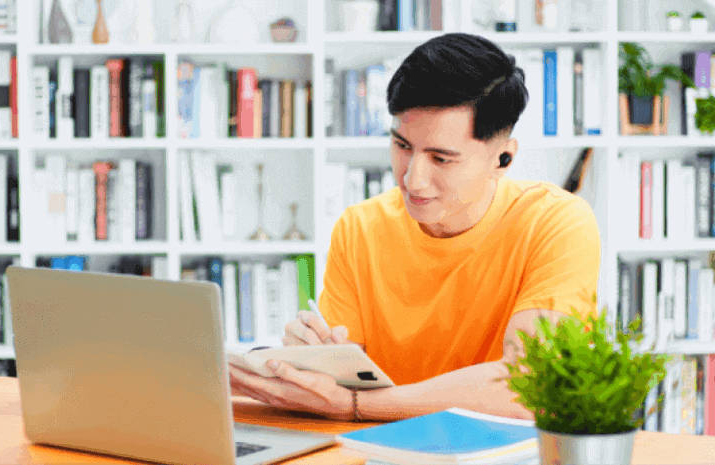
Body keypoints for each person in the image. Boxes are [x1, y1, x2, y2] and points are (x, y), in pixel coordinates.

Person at [229, 32, 600, 422]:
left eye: (441, 159)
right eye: (402, 146)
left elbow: (528, 383)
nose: (413, 179)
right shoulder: (360, 228)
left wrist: (356, 406)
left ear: (503, 158)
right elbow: (338, 383)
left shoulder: (556, 223)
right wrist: (310, 359)